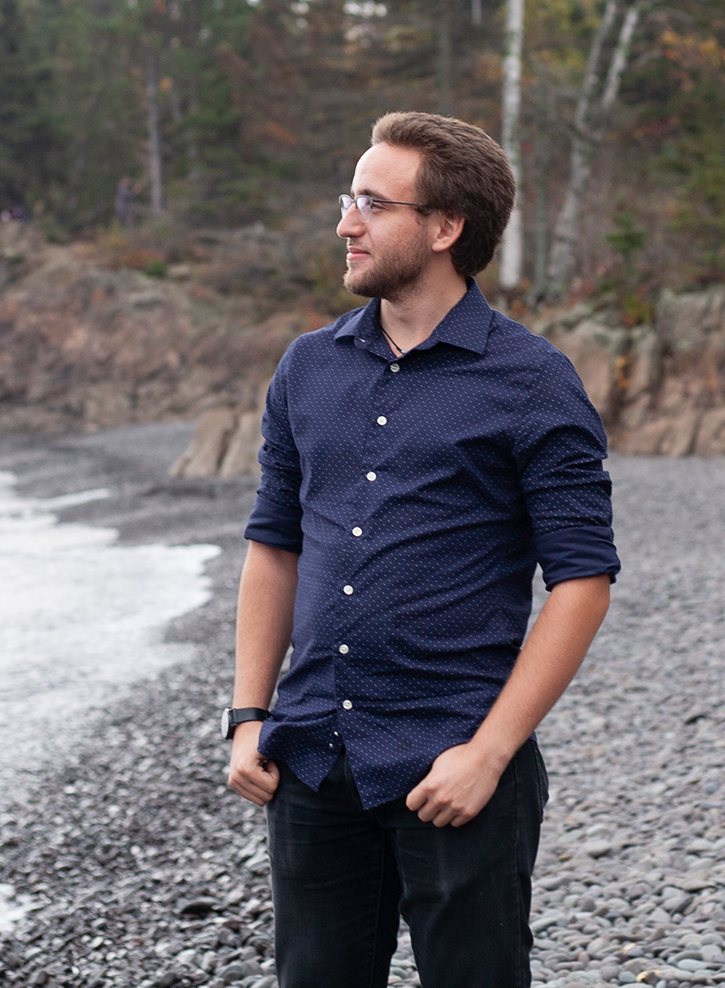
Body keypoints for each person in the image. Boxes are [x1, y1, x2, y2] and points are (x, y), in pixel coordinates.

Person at [225, 111, 619, 988]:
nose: (347, 223)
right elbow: (274, 546)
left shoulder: (533, 380)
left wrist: (490, 754)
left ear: (445, 228)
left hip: (457, 761)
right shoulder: (307, 367)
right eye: (348, 198)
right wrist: (249, 715)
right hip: (312, 757)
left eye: (374, 203)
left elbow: (583, 582)